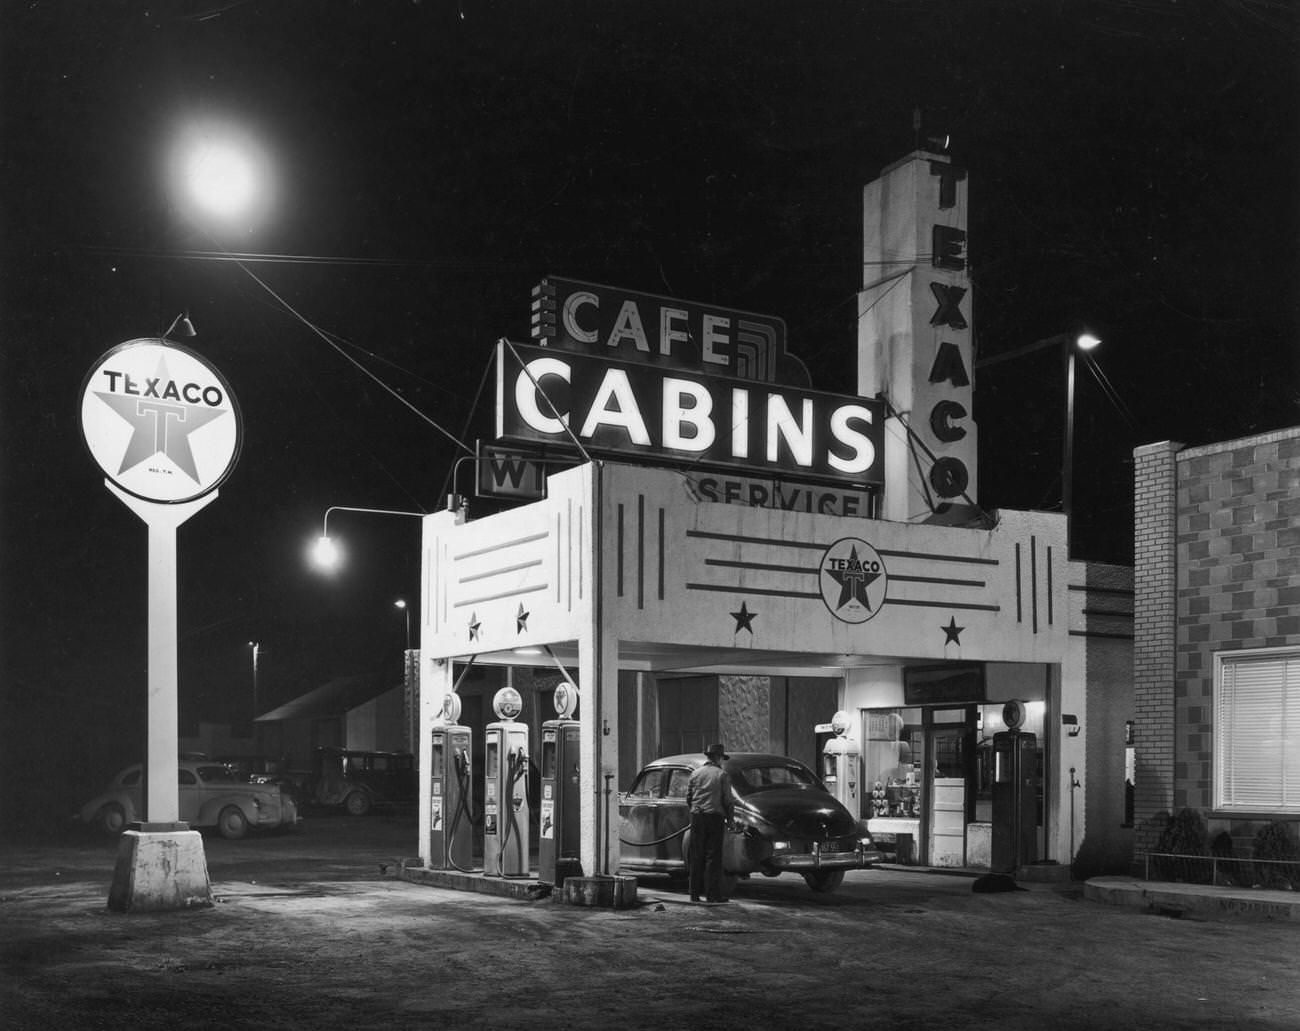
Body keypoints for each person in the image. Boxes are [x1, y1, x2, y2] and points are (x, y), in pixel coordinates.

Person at [685, 743, 734, 903]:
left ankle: (694, 894)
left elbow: (689, 798)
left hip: (697, 817)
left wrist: (696, 809)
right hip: (714, 817)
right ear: (719, 758)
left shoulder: (695, 773)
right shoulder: (722, 775)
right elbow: (727, 800)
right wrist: (731, 819)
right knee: (713, 857)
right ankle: (712, 895)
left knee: (696, 855)